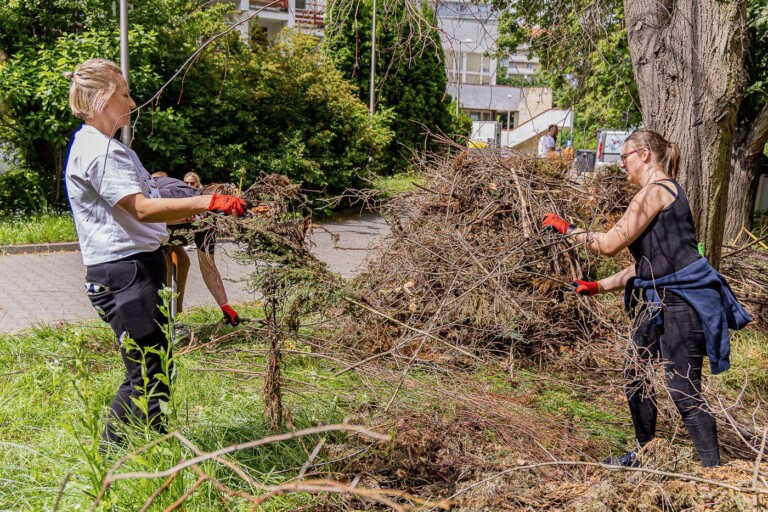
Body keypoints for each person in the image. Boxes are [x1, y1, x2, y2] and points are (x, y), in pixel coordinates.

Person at [64, 58, 247, 447]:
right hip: (125, 272)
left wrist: (195, 206)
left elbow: (152, 201)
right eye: (125, 94)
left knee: (156, 367)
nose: (131, 103)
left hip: (136, 268)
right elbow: (141, 208)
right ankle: (113, 458)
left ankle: (154, 447)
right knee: (146, 374)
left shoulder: (109, 148)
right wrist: (208, 201)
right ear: (102, 97)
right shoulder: (100, 151)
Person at [541, 129, 751, 468]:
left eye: (624, 158)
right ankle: (645, 453)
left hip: (682, 302)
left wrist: (568, 230)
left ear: (645, 155)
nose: (622, 164)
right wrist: (596, 287)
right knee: (635, 370)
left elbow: (609, 245)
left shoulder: (654, 192)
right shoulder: (664, 193)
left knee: (683, 389)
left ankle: (715, 471)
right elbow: (647, 266)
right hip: (661, 298)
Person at [150, 172, 241, 326]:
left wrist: (224, 305)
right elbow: (143, 211)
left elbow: (209, 268)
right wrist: (185, 216)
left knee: (183, 263)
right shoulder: (175, 196)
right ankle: (156, 319)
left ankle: (175, 317)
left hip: (170, 235)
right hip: (146, 230)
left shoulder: (207, 224)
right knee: (162, 265)